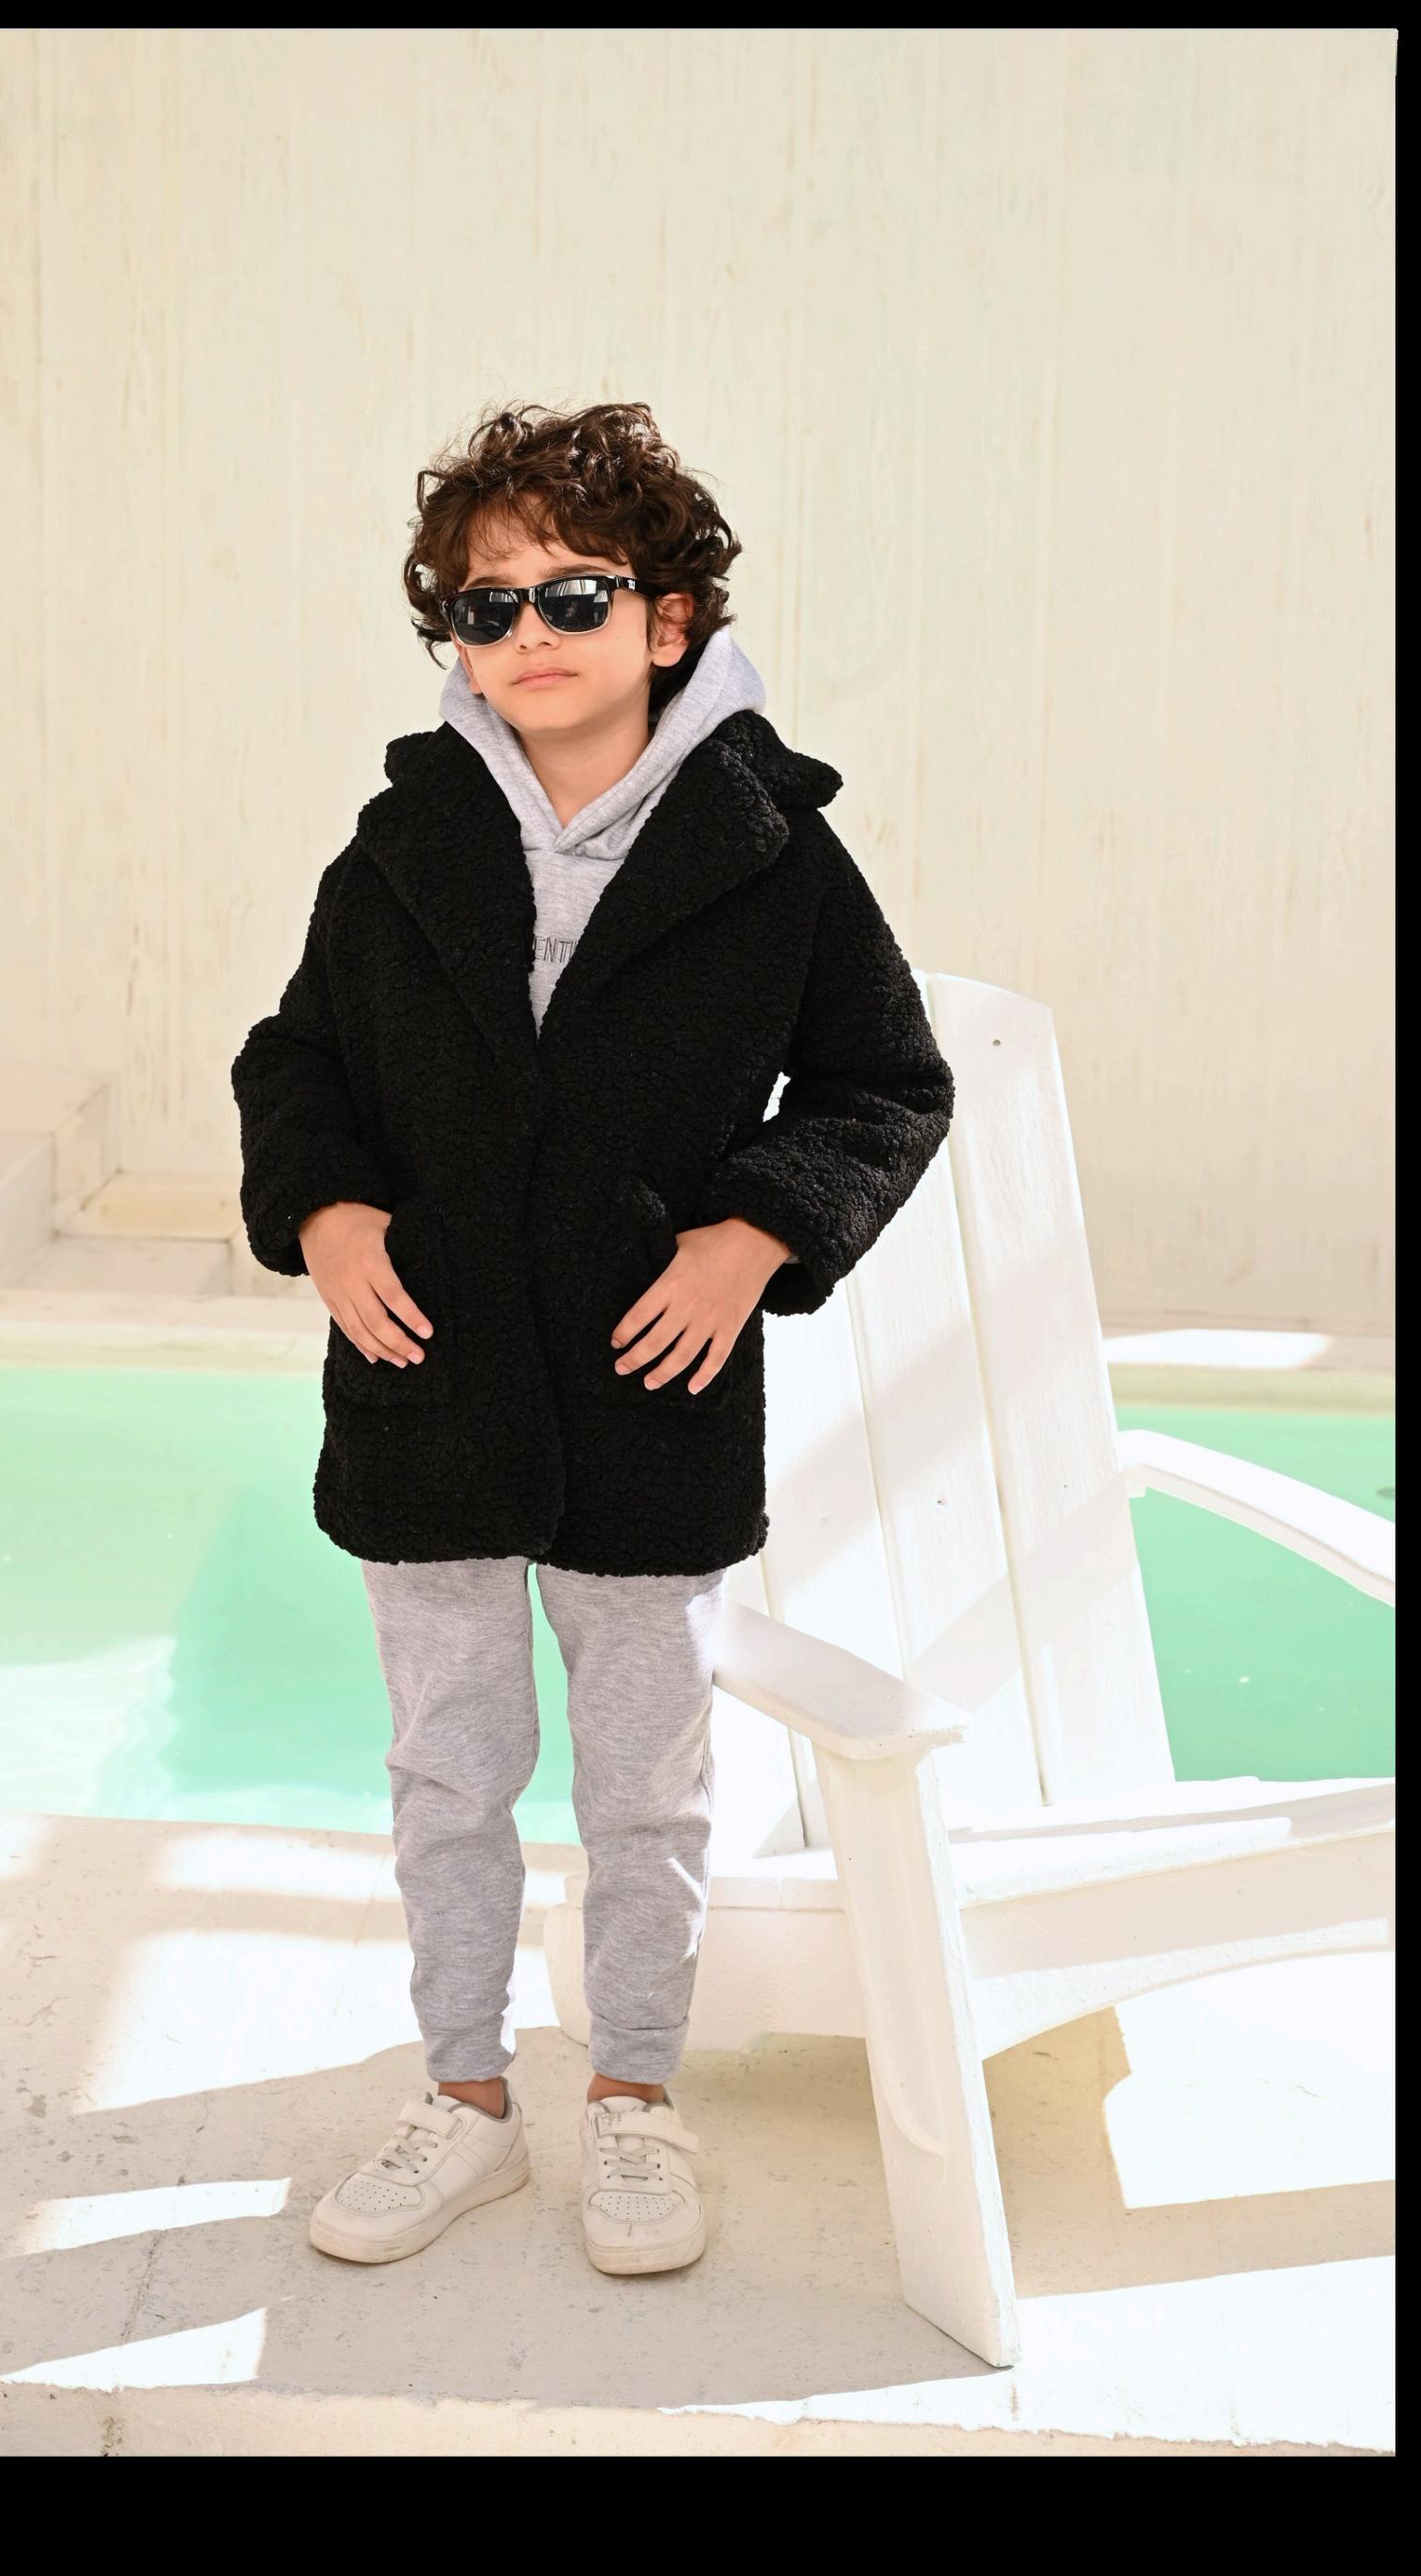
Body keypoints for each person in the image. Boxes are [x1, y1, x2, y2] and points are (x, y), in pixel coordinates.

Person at [231, 400, 955, 2278]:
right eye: (487, 606)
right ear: (454, 642)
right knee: (447, 1770)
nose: (529, 631)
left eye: (574, 591)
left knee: (645, 1783)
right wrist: (325, 1211)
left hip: (652, 1395)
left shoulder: (771, 852)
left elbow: (885, 1082)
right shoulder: (398, 847)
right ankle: (463, 2097)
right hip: (429, 1385)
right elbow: (297, 1062)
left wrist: (754, 1231)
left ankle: (633, 2092)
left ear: (667, 615)